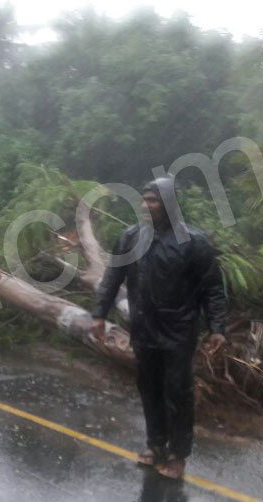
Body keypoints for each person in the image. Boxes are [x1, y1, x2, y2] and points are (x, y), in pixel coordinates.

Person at [91, 177, 227, 479]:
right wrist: (98, 314)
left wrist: (217, 327)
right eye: (143, 199)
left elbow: (213, 289)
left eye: (152, 200)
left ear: (168, 205)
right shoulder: (130, 238)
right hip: (144, 329)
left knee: (178, 391)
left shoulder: (194, 242)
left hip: (179, 330)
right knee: (149, 388)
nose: (144, 205)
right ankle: (155, 445)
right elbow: (112, 278)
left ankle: (178, 455)